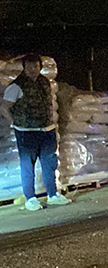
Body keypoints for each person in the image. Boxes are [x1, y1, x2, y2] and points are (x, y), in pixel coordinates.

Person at [1, 54, 71, 211]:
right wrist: (15, 123)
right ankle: (30, 198)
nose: (33, 70)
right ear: (24, 68)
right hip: (27, 132)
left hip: (47, 130)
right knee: (28, 166)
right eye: (30, 67)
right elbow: (4, 107)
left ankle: (53, 194)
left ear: (40, 67)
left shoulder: (44, 82)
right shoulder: (16, 86)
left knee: (49, 163)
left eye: (36, 66)